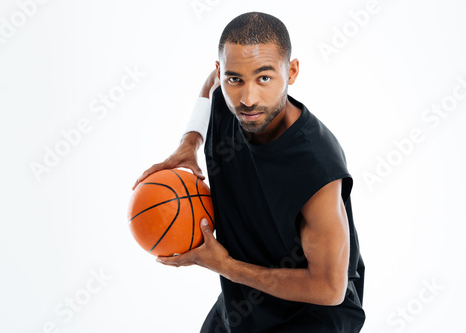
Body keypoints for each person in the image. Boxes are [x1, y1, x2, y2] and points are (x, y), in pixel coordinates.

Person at [132, 12, 365, 332]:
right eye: (234, 78)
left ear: (292, 71)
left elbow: (329, 288)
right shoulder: (226, 98)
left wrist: (224, 266)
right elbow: (209, 85)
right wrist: (190, 142)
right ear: (221, 72)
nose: (248, 98)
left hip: (310, 321)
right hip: (243, 305)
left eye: (264, 78)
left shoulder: (315, 168)